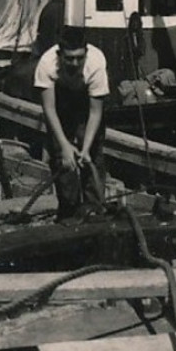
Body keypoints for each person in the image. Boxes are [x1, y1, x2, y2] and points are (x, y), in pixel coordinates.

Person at [33, 23, 110, 220]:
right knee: (62, 158)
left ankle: (94, 209)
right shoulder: (46, 64)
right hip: (61, 104)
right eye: (69, 58)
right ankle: (69, 211)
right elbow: (49, 109)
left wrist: (85, 149)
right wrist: (65, 146)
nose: (75, 63)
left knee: (92, 155)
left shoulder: (97, 63)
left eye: (79, 58)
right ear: (59, 55)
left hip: (86, 104)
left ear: (86, 52)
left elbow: (95, 112)